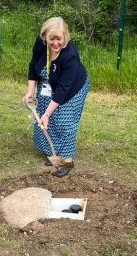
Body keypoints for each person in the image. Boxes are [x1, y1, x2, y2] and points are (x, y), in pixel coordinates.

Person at [24, 17, 89, 177]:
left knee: (63, 122)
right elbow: (33, 65)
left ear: (65, 36)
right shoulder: (40, 43)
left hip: (72, 89)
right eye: (51, 39)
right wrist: (30, 91)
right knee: (48, 122)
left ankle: (66, 161)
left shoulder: (70, 55)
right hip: (47, 83)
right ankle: (54, 154)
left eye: (59, 39)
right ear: (45, 36)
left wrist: (47, 113)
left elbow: (63, 90)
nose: (55, 43)